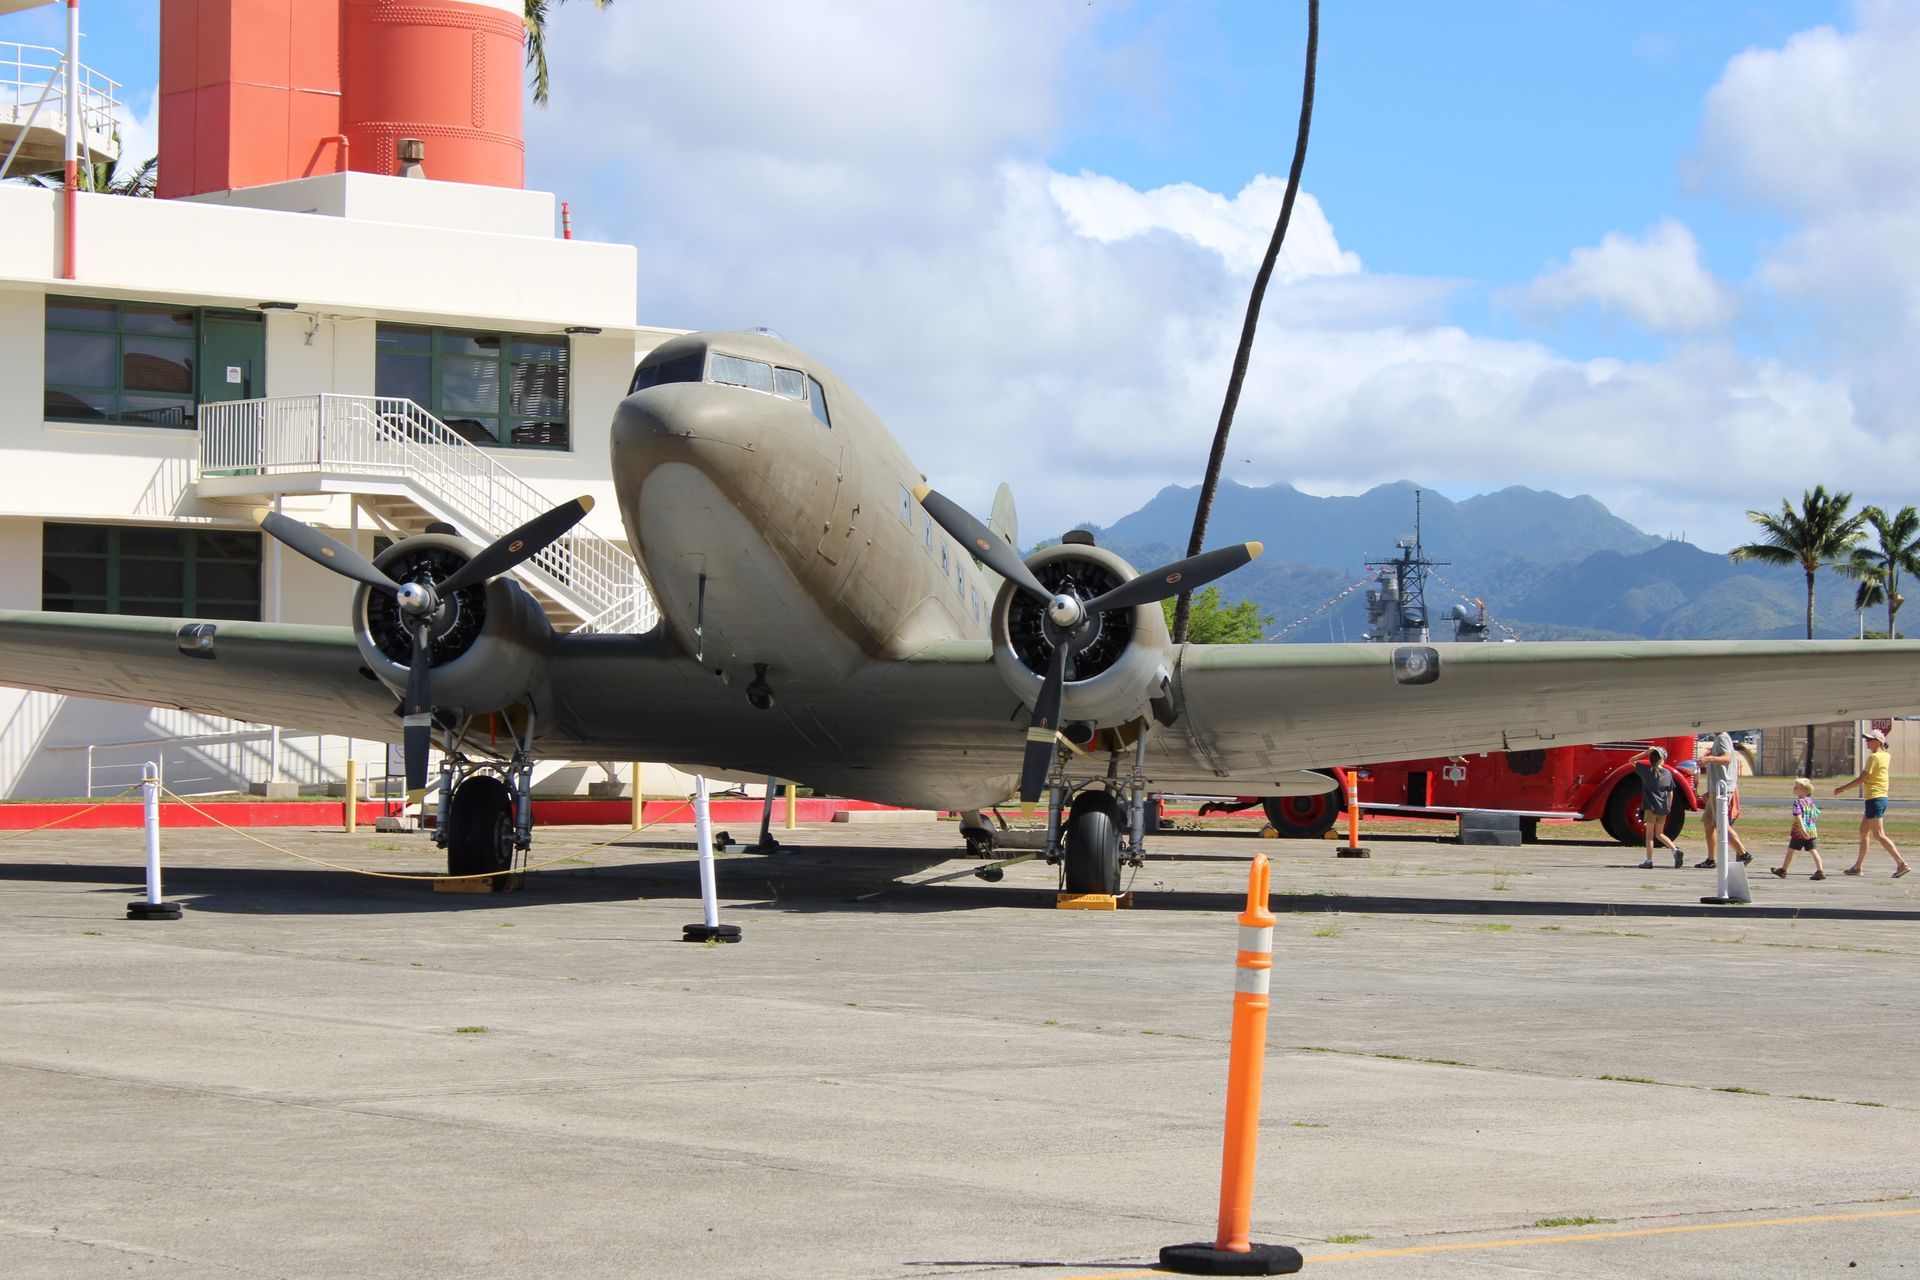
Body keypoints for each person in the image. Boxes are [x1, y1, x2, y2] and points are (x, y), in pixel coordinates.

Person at [1836, 727, 1911, 878]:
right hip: (1878, 798)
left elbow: (1862, 778)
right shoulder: (1885, 756)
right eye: (1866, 739)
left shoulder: (1874, 758)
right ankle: (1857, 867)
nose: (1867, 742)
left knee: (1879, 835)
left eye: (1870, 740)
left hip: (1875, 799)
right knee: (1864, 832)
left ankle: (1901, 863)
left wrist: (1842, 789)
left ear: (1878, 741)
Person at [1696, 731, 1751, 869]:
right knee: (1708, 823)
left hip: (1722, 789)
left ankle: (1743, 853)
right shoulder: (1719, 738)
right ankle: (1711, 859)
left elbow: (1727, 758)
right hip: (1716, 788)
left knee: (1721, 823)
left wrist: (1709, 759)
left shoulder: (1722, 738)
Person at [1628, 745, 1684, 869]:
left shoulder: (1647, 771)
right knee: (1659, 833)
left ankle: (1649, 861)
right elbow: (1670, 792)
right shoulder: (1667, 773)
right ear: (1662, 759)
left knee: (1649, 835)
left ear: (1651, 759)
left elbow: (1631, 761)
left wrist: (1645, 752)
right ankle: (1675, 850)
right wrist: (1668, 806)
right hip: (1663, 808)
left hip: (1650, 807)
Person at [1771, 777, 1825, 880]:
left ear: (1804, 790)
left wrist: (1802, 829)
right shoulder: (1810, 802)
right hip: (1812, 830)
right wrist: (1810, 824)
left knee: (1791, 850)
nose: (1794, 788)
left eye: (1796, 787)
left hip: (1799, 831)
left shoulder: (1797, 802)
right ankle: (1820, 871)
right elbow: (1816, 813)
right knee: (1813, 850)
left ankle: (1783, 870)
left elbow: (1798, 815)